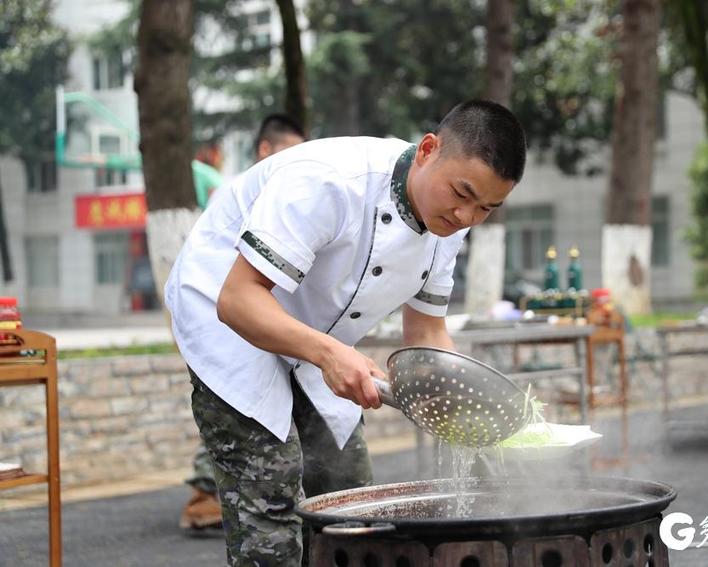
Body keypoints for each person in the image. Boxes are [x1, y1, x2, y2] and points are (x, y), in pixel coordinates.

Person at [165, 100, 526, 565]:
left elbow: (427, 333)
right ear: (428, 150)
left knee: (353, 502)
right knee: (272, 496)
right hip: (227, 310)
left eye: (487, 208)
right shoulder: (328, 180)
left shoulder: (451, 223)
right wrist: (330, 353)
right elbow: (238, 300)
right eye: (462, 193)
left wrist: (470, 419)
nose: (466, 217)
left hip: (317, 331)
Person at [179, 113, 306, 532]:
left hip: (262, 320)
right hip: (222, 318)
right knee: (232, 411)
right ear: (265, 150)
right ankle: (204, 496)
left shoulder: (291, 201)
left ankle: (214, 494)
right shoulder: (236, 193)